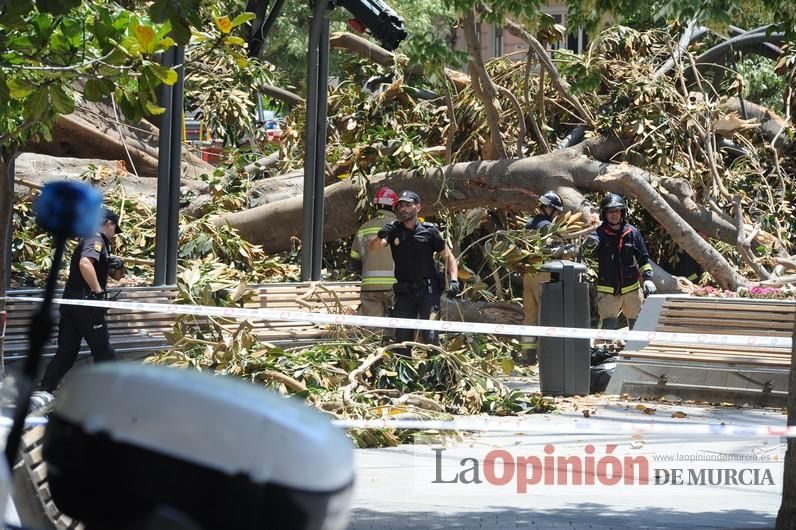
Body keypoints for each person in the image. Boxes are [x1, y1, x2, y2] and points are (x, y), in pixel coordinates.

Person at [36, 208, 125, 399]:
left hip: (71, 305)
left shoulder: (95, 241)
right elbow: (85, 264)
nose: (114, 235)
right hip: (87, 305)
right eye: (114, 230)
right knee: (103, 351)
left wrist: (119, 266)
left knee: (67, 352)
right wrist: (98, 290)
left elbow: (115, 277)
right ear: (109, 224)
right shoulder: (95, 239)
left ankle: (45, 390)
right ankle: (116, 394)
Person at [368, 190, 458, 352]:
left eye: (408, 205)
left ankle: (435, 376)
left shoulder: (429, 231)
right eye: (400, 206)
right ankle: (404, 376)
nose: (403, 209)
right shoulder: (394, 230)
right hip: (404, 292)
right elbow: (374, 248)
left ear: (418, 207)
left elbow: (449, 257)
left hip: (428, 291)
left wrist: (454, 280)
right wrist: (380, 235)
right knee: (402, 338)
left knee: (430, 336)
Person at [585, 193, 655, 330]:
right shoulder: (598, 235)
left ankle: (635, 351)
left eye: (617, 211)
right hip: (607, 290)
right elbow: (586, 255)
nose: (614, 215)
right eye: (610, 212)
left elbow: (643, 258)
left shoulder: (632, 233)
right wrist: (588, 245)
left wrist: (648, 278)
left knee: (637, 326)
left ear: (623, 212)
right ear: (604, 214)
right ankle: (605, 350)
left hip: (632, 289)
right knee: (608, 326)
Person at [520, 191, 564, 365]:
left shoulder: (529, 224)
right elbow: (553, 250)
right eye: (556, 211)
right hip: (543, 275)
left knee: (529, 316)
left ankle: (527, 356)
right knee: (546, 315)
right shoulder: (546, 226)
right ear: (550, 208)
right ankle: (547, 355)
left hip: (528, 274)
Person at [350, 187, 398, 317]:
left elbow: (354, 262)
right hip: (395, 287)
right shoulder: (400, 228)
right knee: (397, 328)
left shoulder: (363, 229)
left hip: (369, 288)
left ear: (375, 206)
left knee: (373, 331)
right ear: (394, 206)